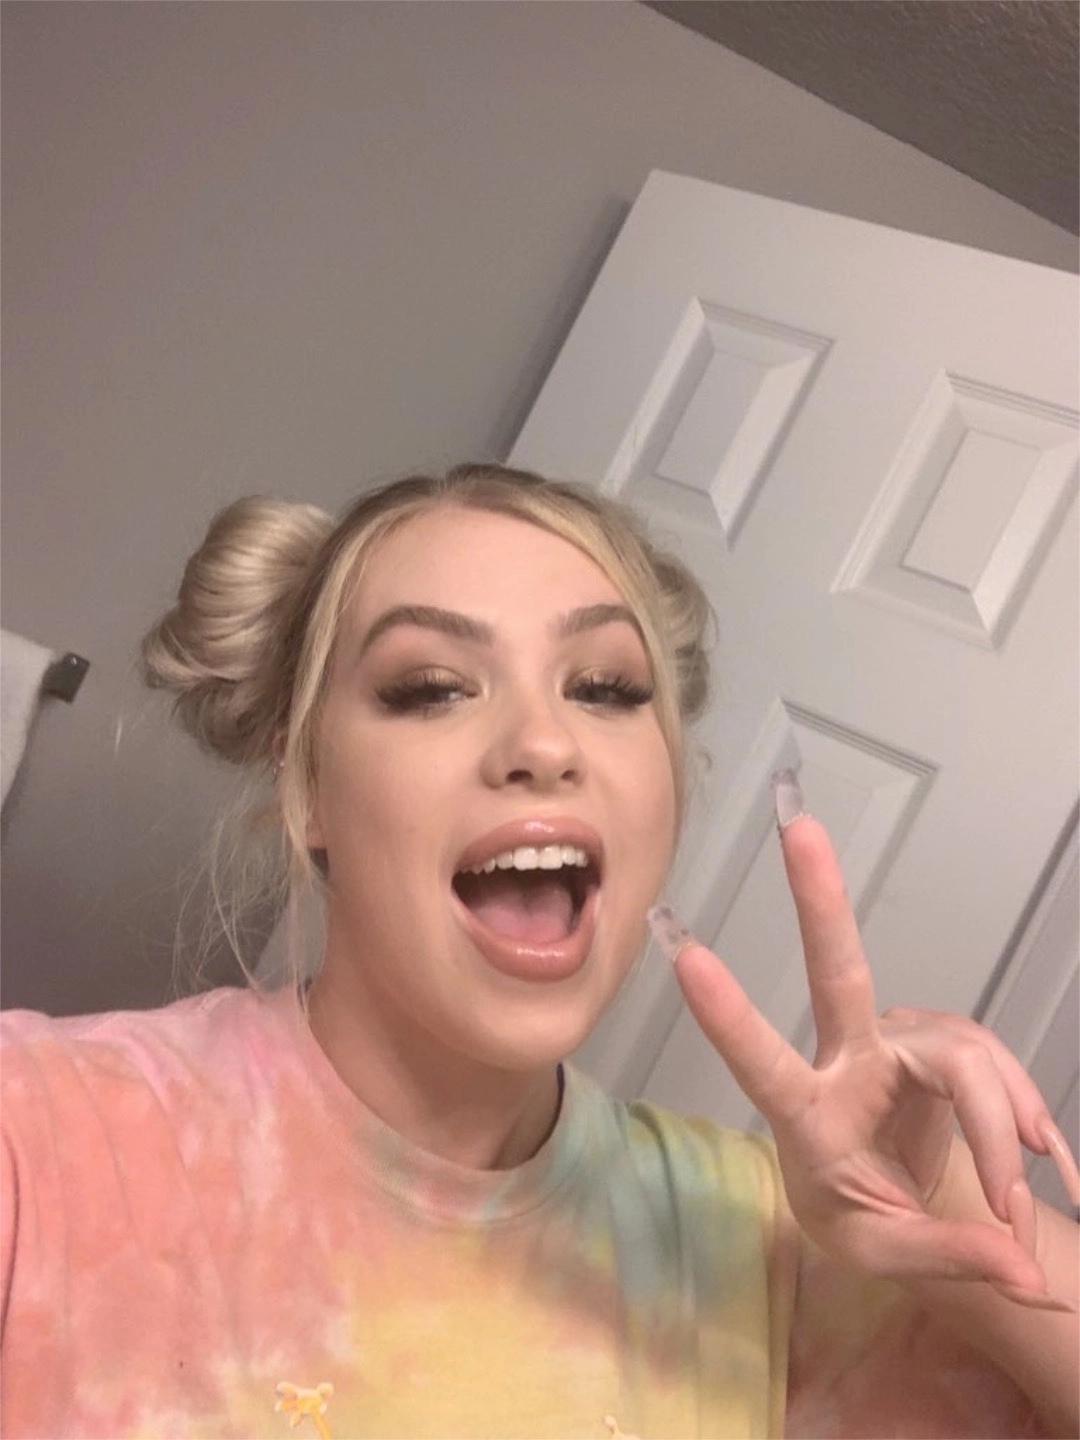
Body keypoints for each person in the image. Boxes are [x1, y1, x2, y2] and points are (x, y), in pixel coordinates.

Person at [1, 461, 1076, 1440]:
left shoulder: (763, 1246)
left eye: (605, 688)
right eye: (431, 686)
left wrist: (936, 1192)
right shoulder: (42, 1132)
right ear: (308, 782)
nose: (545, 744)